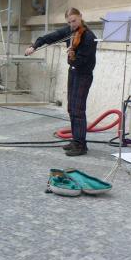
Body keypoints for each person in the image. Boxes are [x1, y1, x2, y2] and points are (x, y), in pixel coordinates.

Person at [25, 8, 97, 156]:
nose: (72, 24)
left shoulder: (89, 37)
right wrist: (34, 45)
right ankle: (76, 140)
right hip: (73, 72)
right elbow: (49, 37)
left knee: (78, 109)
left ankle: (81, 145)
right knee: (71, 108)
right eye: (69, 22)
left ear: (80, 17)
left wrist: (72, 55)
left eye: (74, 21)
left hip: (83, 74)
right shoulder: (70, 31)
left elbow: (83, 61)